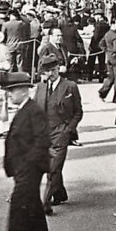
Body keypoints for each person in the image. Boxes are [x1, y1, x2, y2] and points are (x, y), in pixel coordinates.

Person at [0, 72, 51, 231]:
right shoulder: (25, 109)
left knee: (19, 206)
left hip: (29, 168)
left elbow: (43, 140)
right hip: (23, 167)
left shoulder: (34, 110)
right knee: (32, 204)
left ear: (24, 90)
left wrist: (27, 165)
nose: (9, 95)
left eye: (12, 91)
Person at [33, 54, 83, 214]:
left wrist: (68, 130)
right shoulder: (40, 87)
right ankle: (59, 193)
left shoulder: (70, 86)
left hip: (60, 132)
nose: (48, 74)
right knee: (52, 167)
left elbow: (78, 112)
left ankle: (45, 203)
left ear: (57, 70)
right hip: (43, 134)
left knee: (53, 168)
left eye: (51, 71)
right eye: (46, 71)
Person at [98, 21, 116, 102]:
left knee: (111, 77)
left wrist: (107, 51)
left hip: (109, 57)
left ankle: (102, 92)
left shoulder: (107, 34)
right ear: (113, 25)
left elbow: (101, 44)